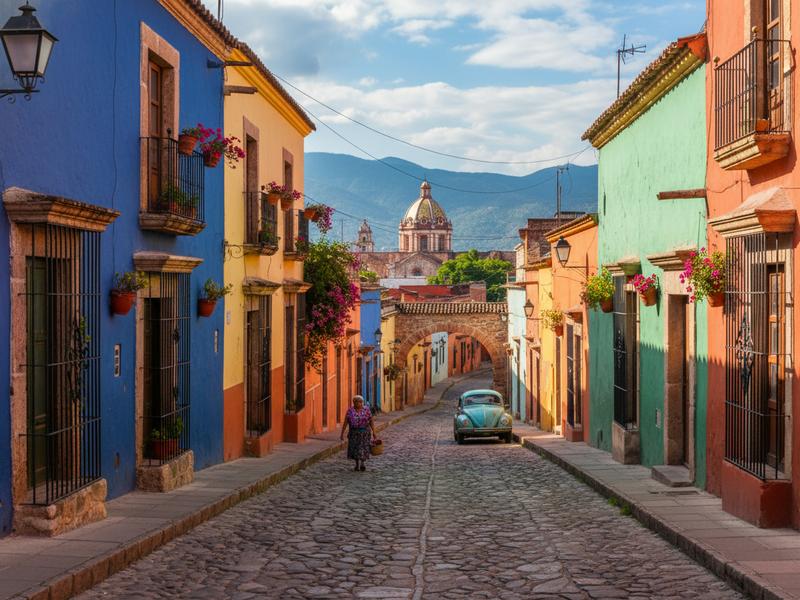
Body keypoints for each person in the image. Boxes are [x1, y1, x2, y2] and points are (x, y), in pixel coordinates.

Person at [340, 395, 376, 471]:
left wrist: (374, 432)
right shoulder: (350, 411)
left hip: (365, 433)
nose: (358, 403)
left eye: (360, 401)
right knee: (355, 449)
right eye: (356, 401)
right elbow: (346, 422)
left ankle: (362, 463)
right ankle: (357, 464)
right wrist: (342, 433)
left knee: (363, 448)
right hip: (354, 433)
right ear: (354, 402)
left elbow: (371, 421)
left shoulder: (366, 410)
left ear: (362, 402)